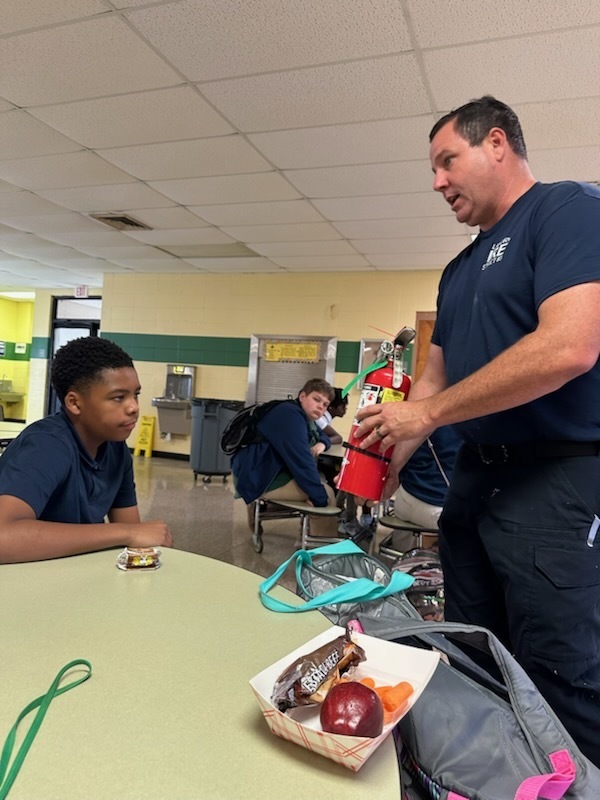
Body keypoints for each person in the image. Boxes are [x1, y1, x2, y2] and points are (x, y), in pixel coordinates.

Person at [353, 96, 600, 766]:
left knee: (559, 672)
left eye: (446, 161)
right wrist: (389, 453)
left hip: (557, 479)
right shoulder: (458, 271)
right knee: (473, 653)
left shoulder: (567, 208)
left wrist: (426, 415)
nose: (437, 181)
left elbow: (570, 347)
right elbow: (431, 383)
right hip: (475, 482)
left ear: (497, 143)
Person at [0, 336, 173, 564]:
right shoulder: (46, 445)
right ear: (74, 403)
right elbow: (4, 538)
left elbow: (134, 534)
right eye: (118, 397)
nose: (133, 407)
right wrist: (125, 532)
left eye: (135, 395)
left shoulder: (116, 449)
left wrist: (133, 534)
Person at [232, 378, 337, 534]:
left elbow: (323, 435)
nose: (320, 407)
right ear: (302, 396)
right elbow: (302, 462)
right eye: (317, 399)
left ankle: (307, 536)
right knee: (326, 493)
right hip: (256, 476)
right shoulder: (290, 416)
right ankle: (323, 550)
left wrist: (322, 443)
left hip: (261, 469)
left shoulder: (303, 415)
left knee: (315, 484)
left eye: (325, 405)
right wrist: (320, 500)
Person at [391, 425, 461, 550]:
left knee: (401, 547)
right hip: (439, 510)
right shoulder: (466, 423)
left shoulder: (415, 417)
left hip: (405, 500)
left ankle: (399, 562)